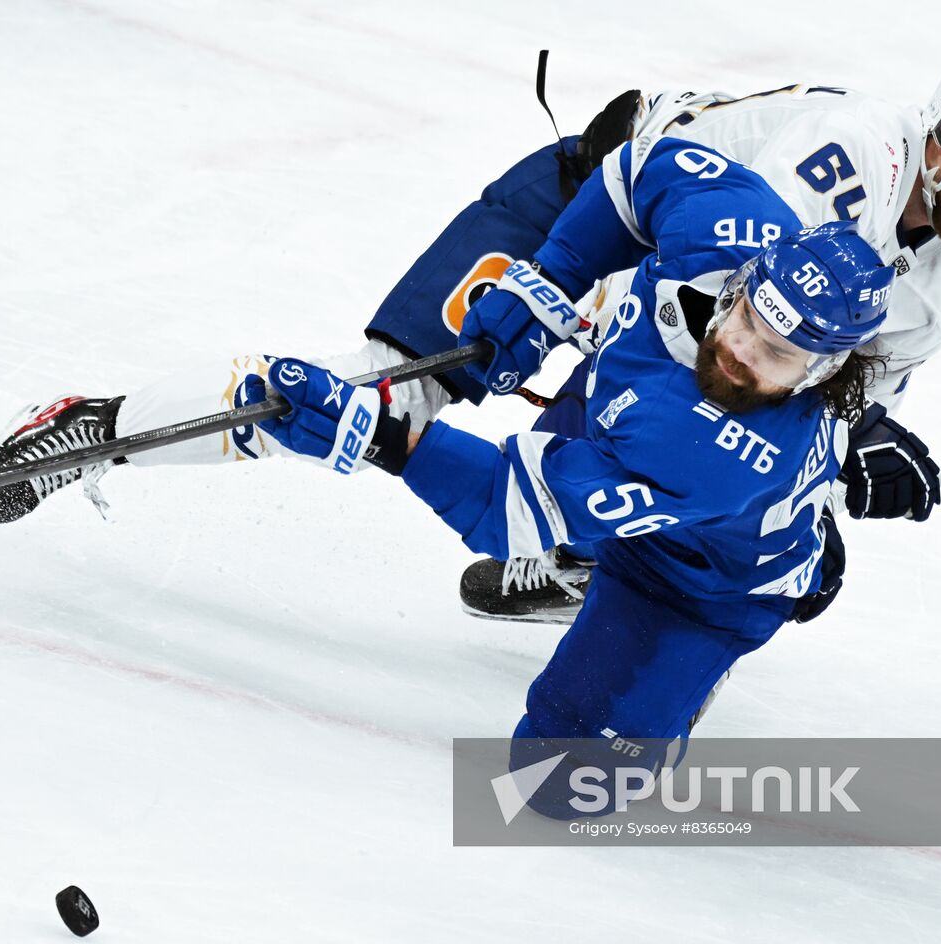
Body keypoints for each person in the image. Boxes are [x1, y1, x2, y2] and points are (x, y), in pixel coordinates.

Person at [0, 44, 941, 627]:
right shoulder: (842, 159)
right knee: (385, 398)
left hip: (673, 295)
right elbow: (686, 282)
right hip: (587, 214)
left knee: (706, 492)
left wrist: (850, 447)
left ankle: (573, 552)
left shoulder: (939, 287)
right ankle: (95, 429)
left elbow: (802, 391)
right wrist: (551, 309)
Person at [223, 137, 894, 817]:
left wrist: (375, 435)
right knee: (597, 459)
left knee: (559, 785)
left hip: (697, 581)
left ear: (824, 372)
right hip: (618, 425)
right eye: (749, 317)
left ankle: (687, 668)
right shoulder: (731, 227)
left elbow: (502, 507)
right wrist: (550, 275)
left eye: (777, 354)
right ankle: (604, 537)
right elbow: (639, 169)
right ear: (748, 276)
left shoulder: (716, 451)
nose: (740, 350)